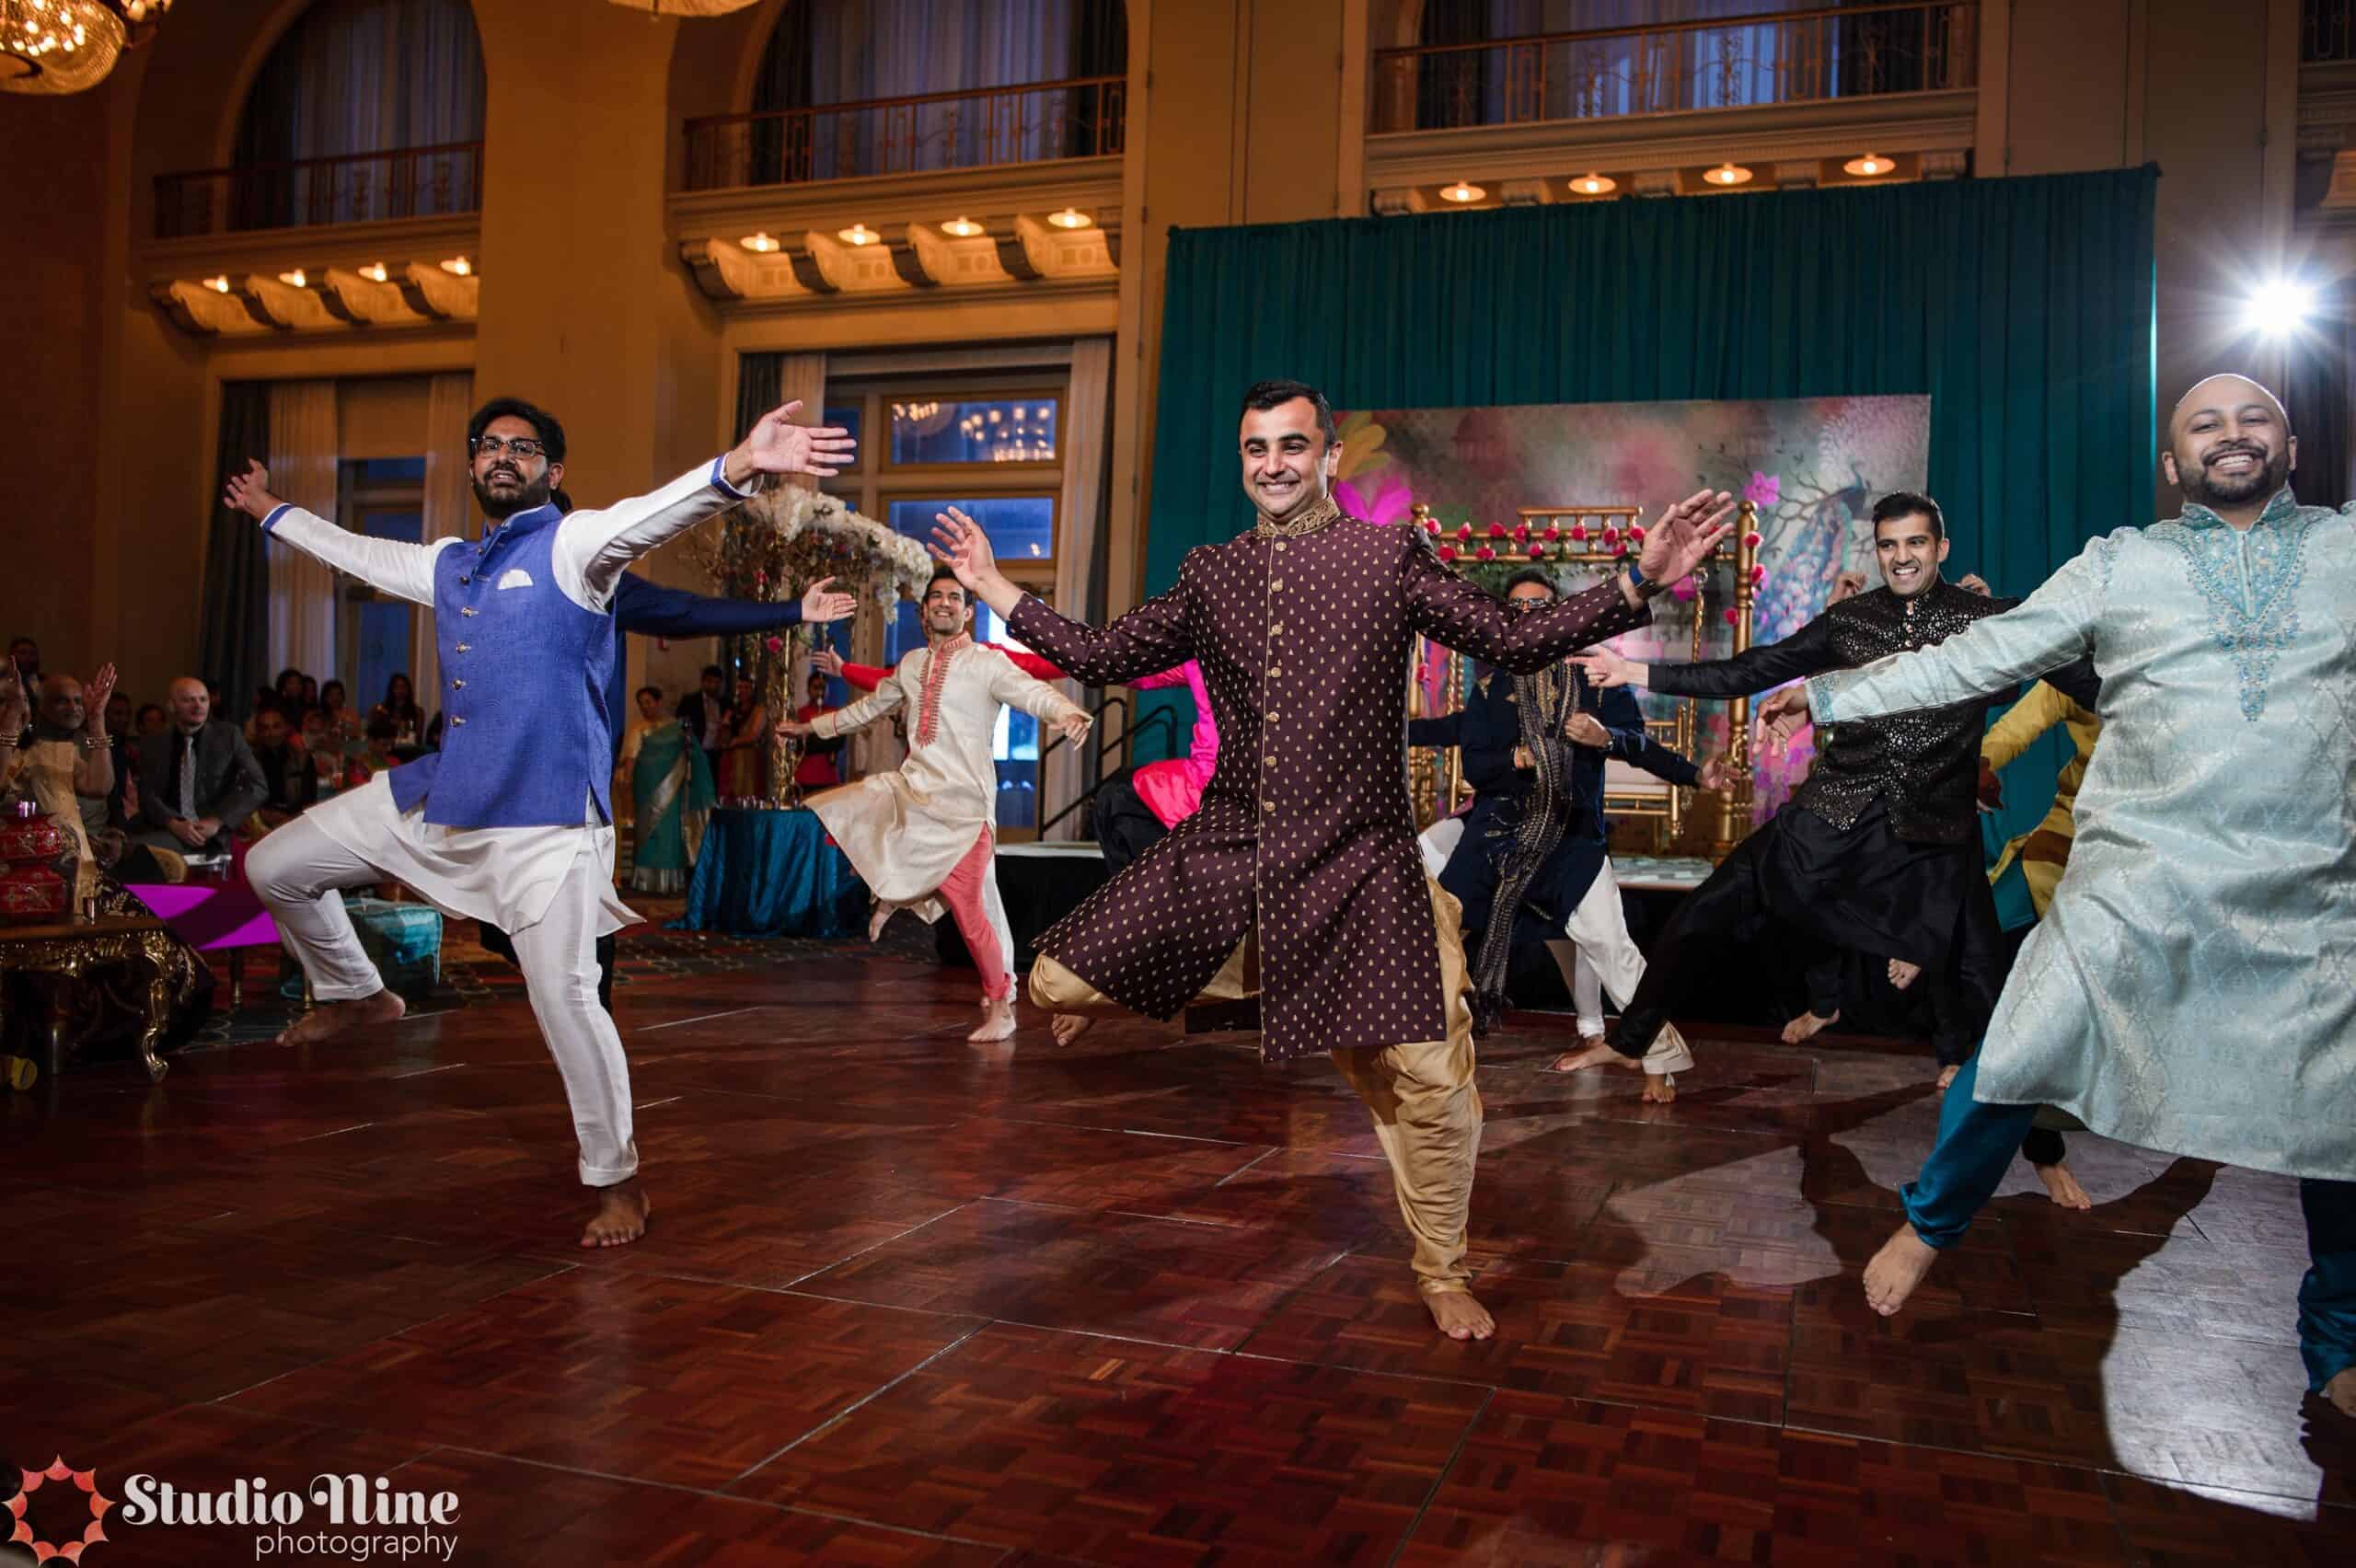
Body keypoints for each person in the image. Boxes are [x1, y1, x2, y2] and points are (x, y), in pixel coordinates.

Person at [930, 378, 1733, 1341]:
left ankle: (1441, 1265)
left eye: (1292, 446)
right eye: (1255, 449)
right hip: (1234, 846)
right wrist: (990, 587)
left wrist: (1636, 583)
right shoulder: (1209, 574)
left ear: (1327, 457)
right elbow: (1102, 654)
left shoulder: (1385, 553)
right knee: (1055, 986)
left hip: (1365, 863)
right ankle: (1242, 997)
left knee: (1434, 1083)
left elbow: (1514, 636)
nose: (1273, 464)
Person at [1755, 374, 2356, 1419]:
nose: (2230, 433)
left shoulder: (2348, 555)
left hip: (2311, 884)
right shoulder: (2124, 564)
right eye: (2203, 423)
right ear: (2171, 465)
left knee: (2343, 1119)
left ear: (2290, 444)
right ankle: (1930, 1222)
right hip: (2137, 873)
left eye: (2251, 417)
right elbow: (1983, 654)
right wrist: (1828, 693)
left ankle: (2337, 1344)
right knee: (2019, 1044)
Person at [227, 393, 854, 1249]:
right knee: (274, 868)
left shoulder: (573, 544)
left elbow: (650, 516)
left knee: (565, 998)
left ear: (552, 473)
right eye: (487, 445)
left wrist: (740, 465)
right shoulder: (450, 563)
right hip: (443, 794)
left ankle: (619, 1182)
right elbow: (359, 553)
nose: (500, 457)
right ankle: (356, 992)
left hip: (545, 821)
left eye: (522, 449)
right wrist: (269, 510)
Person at [1556, 494, 2077, 1088]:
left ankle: (2034, 1143)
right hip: (1833, 815)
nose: (1901, 557)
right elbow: (1751, 669)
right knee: (1704, 910)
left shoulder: (1984, 623)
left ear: (1942, 548)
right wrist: (1637, 672)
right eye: (1889, 544)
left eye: (1915, 543)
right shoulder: (1852, 621)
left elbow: (2073, 664)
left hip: (1934, 831)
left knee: (1981, 978)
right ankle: (1632, 1040)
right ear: (1877, 550)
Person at [1408, 569, 1727, 1093]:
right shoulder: (1491, 684)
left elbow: (1636, 743)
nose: (1530, 617)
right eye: (1519, 608)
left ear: (1559, 615)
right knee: (1447, 933)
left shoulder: (1593, 677)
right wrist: (1516, 757)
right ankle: (1424, 1045)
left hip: (1570, 836)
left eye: (1542, 607)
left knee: (1610, 947)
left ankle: (1656, 1059)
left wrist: (1638, 752)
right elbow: (1477, 766)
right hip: (1496, 836)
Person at [780, 566, 1091, 1044]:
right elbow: (868, 709)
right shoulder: (909, 665)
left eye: (954, 597)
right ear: (924, 610)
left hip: (964, 810)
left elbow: (1030, 691)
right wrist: (810, 729)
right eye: (935, 597)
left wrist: (1065, 711)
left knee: (971, 914)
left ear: (969, 611)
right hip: (916, 794)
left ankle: (1001, 1004)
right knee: (861, 806)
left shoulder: (986, 663)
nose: (944, 603)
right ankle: (898, 893)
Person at [131, 675, 267, 859]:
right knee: (126, 848)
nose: (198, 705)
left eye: (203, 699)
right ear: (171, 706)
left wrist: (218, 821)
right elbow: (147, 795)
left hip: (214, 831)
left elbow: (258, 785)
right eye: (188, 700)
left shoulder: (228, 735)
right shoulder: (154, 742)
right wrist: (173, 823)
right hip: (169, 829)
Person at [17, 667, 120, 901]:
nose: (73, 708)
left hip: (68, 857)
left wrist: (97, 719)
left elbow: (100, 787)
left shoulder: (64, 749)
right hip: (19, 858)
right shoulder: (21, 748)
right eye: (61, 701)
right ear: (40, 706)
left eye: (77, 701)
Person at [621, 691, 713, 894]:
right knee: (649, 831)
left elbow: (691, 752)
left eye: (649, 702)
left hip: (673, 786)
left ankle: (670, 881)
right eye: (641, 704)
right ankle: (645, 881)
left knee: (670, 831)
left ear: (659, 702)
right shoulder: (638, 729)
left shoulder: (676, 727)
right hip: (645, 788)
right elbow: (630, 759)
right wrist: (626, 785)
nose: (645, 707)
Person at [248, 700, 316, 830]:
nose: (271, 733)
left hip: (296, 823)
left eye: (276, 726)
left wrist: (289, 819)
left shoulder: (302, 758)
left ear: (286, 728)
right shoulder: (248, 760)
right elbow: (242, 801)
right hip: (258, 825)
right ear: (258, 731)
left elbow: (310, 802)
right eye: (265, 728)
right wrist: (262, 814)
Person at [790, 667, 845, 789]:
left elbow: (839, 741)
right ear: (808, 690)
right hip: (805, 775)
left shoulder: (833, 712)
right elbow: (800, 745)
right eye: (816, 688)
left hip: (828, 776)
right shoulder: (800, 713)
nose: (820, 692)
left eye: (823, 688)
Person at [715, 683, 768, 799]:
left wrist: (734, 742)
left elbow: (754, 736)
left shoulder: (759, 710)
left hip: (749, 759)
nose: (743, 691)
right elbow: (721, 738)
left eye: (747, 687)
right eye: (740, 687)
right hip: (731, 759)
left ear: (754, 691)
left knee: (749, 795)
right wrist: (725, 722)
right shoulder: (732, 710)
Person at [675, 664, 727, 767]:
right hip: (696, 751)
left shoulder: (725, 702)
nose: (713, 686)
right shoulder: (690, 701)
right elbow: (680, 723)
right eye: (710, 681)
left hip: (718, 754)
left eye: (717, 682)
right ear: (703, 682)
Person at [373, 673, 425, 745]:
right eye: (397, 687)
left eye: (403, 687)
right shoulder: (382, 709)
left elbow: (417, 738)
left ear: (408, 689)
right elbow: (376, 734)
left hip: (408, 750)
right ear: (392, 689)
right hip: (385, 749)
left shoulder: (417, 711)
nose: (400, 690)